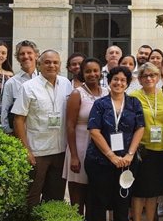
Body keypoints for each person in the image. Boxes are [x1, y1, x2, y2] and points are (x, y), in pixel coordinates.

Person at [12, 50, 74, 208]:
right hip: (37, 152)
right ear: (39, 65)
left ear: (60, 66)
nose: (51, 65)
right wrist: (26, 150)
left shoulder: (66, 84)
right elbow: (18, 119)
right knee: (32, 196)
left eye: (55, 62)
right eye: (47, 62)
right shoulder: (28, 87)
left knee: (55, 197)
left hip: (60, 151)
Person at [85, 66, 145, 221]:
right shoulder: (100, 104)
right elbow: (94, 130)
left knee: (122, 202)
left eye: (123, 80)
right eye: (115, 79)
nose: (119, 83)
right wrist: (111, 156)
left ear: (128, 83)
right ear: (109, 81)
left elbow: (140, 128)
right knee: (99, 202)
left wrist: (130, 154)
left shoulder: (134, 103)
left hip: (127, 162)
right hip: (100, 161)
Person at [63, 57, 109, 216]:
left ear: (100, 73)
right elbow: (69, 126)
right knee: (78, 196)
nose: (92, 74)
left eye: (95, 70)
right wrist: (74, 156)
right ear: (82, 73)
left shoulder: (107, 92)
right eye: (88, 71)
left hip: (100, 148)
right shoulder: (77, 94)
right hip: (80, 146)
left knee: (95, 195)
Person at [129, 63, 163, 221]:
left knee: (154, 191)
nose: (149, 78)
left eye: (152, 75)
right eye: (145, 76)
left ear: (158, 77)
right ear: (139, 79)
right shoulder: (134, 97)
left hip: (161, 149)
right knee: (140, 190)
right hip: (143, 149)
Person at [0, 40, 39, 134]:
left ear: (36, 56)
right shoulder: (11, 83)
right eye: (22, 54)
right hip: (20, 134)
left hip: (40, 134)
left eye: (29, 53)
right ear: (17, 58)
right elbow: (5, 111)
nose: (26, 56)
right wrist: (9, 132)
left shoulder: (43, 80)